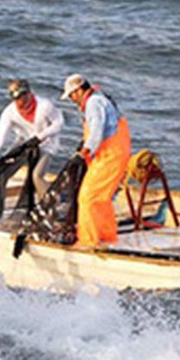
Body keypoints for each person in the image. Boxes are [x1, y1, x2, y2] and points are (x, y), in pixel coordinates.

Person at [60, 73, 132, 247]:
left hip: (109, 156)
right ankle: (107, 236)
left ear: (78, 91)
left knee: (88, 197)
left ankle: (88, 241)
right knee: (102, 197)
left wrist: (84, 151)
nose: (71, 99)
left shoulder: (93, 103)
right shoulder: (101, 98)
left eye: (71, 95)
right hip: (115, 153)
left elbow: (97, 132)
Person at [0, 78, 63, 219]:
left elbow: (59, 123)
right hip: (24, 144)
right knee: (0, 174)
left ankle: (52, 211)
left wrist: (40, 137)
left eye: (23, 96)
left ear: (30, 93)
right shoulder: (9, 113)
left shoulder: (45, 106)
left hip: (46, 145)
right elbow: (0, 139)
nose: (20, 101)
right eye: (16, 98)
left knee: (36, 176)